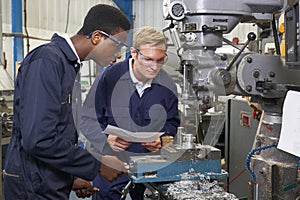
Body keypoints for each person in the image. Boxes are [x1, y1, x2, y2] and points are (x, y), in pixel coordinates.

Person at [3, 4, 131, 200]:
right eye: (117, 46)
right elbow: (38, 139)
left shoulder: (69, 66)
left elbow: (59, 132)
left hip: (47, 180)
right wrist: (98, 165)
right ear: (97, 37)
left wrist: (69, 179)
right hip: (32, 188)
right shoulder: (47, 61)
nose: (118, 55)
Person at [91, 26, 180, 200]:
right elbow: (91, 120)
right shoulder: (109, 78)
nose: (154, 67)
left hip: (150, 166)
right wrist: (106, 139)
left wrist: (162, 140)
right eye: (148, 59)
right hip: (113, 162)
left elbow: (172, 124)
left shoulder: (167, 85)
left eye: (160, 60)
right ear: (134, 53)